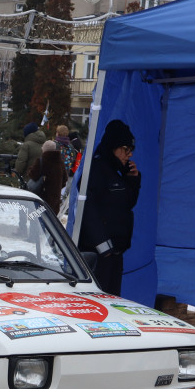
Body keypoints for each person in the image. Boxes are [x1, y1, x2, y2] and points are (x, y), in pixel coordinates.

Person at [78, 119, 141, 296]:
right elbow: (88, 209)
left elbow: (127, 204)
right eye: (126, 149)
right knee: (100, 299)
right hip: (99, 253)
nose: (129, 155)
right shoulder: (98, 169)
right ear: (113, 147)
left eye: (131, 150)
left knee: (113, 299)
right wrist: (104, 248)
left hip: (115, 251)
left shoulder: (117, 172)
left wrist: (133, 180)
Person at [26, 140, 68, 215]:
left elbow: (32, 175)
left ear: (44, 149)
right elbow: (65, 180)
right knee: (49, 222)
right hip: (55, 200)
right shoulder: (60, 162)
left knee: (38, 221)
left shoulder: (42, 161)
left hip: (42, 198)